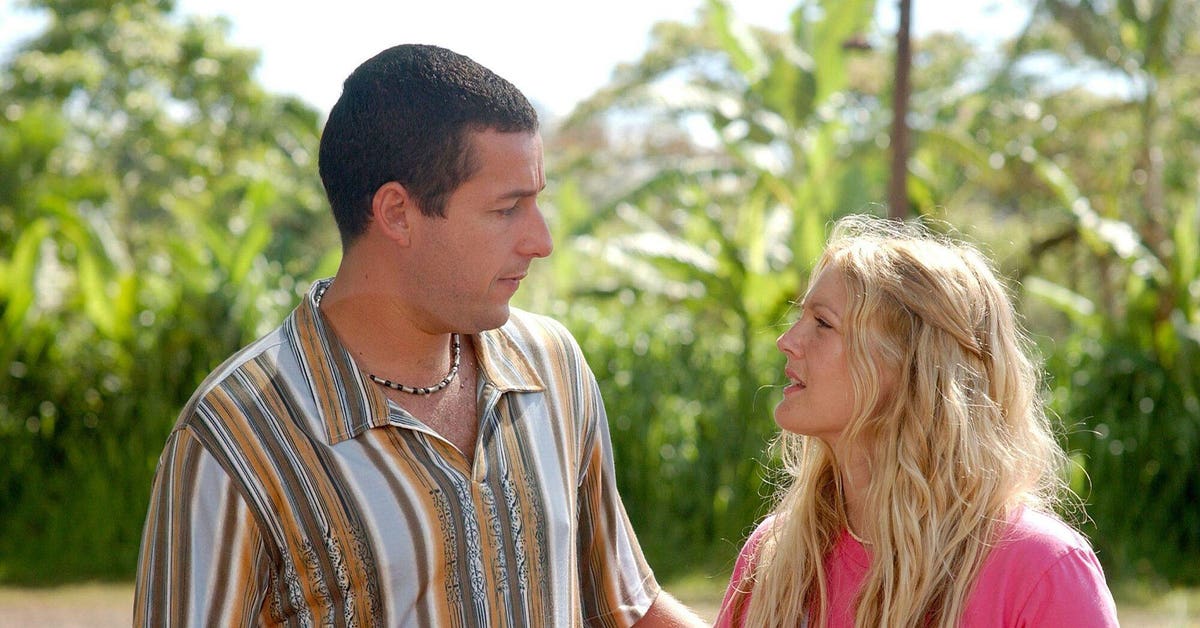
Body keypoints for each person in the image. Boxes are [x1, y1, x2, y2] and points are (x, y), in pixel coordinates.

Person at [134, 43, 702, 627]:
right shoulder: (235, 436)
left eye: (537, 202)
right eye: (507, 209)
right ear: (397, 213)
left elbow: (625, 608)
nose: (542, 240)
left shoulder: (553, 367)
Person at [715, 214, 1119, 627]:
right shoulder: (774, 557)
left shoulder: (1040, 570)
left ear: (914, 364)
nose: (787, 341)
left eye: (822, 323)